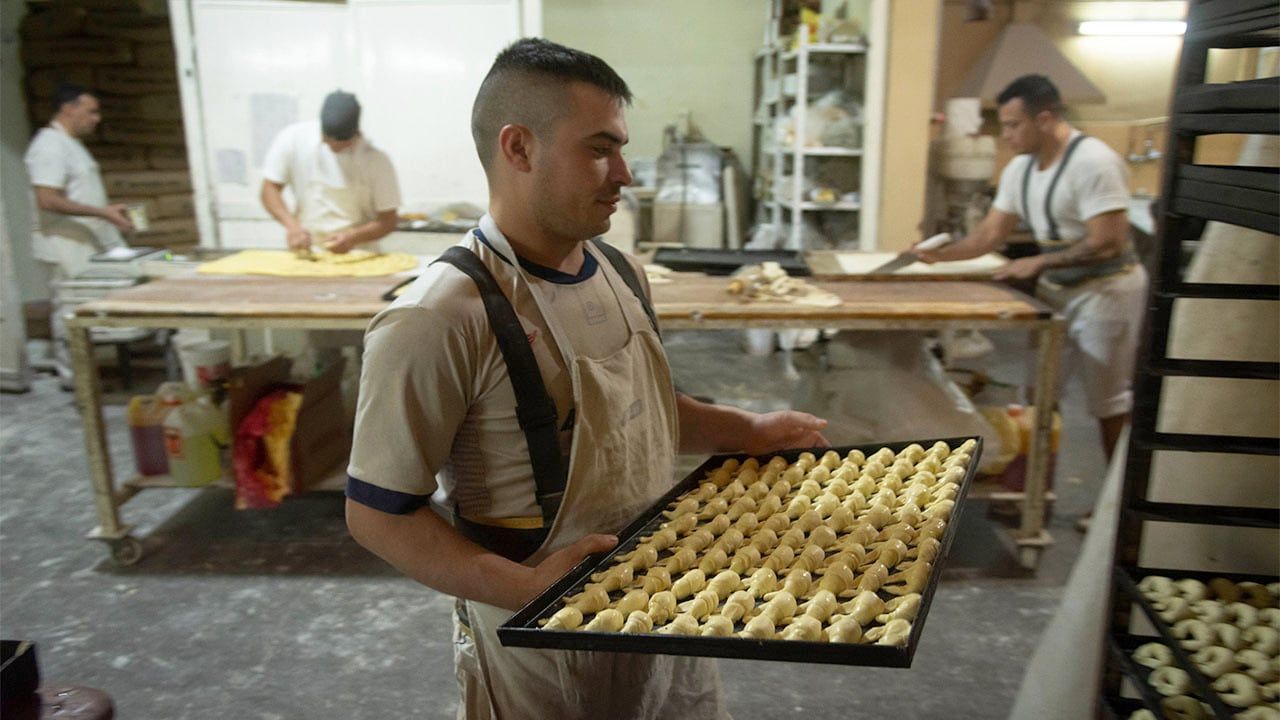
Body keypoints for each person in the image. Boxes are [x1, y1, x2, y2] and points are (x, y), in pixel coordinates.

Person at [345, 38, 829, 719]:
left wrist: (746, 431)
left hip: (666, 603)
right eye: (600, 149)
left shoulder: (619, 272)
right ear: (519, 148)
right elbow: (377, 513)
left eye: (621, 148)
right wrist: (523, 589)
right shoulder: (440, 317)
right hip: (543, 641)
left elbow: (640, 408)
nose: (625, 173)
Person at [916, 74, 1147, 467]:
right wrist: (939, 255)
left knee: (1109, 401)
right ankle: (1032, 496)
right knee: (1039, 392)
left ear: (1044, 119)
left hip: (1107, 291)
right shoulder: (1019, 171)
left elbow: (1107, 240)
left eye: (1012, 125)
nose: (1006, 135)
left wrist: (1038, 261)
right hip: (1058, 291)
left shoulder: (1095, 163)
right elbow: (989, 235)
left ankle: (1117, 509)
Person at [25, 84, 135, 387]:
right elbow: (47, 199)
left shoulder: (70, 144)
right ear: (68, 108)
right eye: (91, 111)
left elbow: (78, 192)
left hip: (83, 241)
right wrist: (101, 213)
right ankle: (76, 380)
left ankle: (88, 373)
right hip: (64, 244)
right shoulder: (49, 146)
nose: (96, 119)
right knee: (70, 310)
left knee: (86, 307)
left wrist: (106, 210)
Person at [260, 90, 400, 254]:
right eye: (328, 140)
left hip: (358, 252)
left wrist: (352, 237)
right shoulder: (292, 139)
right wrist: (292, 226)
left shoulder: (377, 161)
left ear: (356, 134)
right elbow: (269, 189)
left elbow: (388, 221)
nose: (335, 146)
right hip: (306, 250)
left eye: (342, 143)